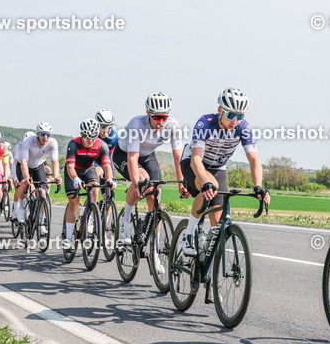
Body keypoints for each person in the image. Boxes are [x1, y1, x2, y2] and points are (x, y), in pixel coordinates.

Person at [181, 88, 270, 256]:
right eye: (230, 115)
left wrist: (258, 186)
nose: (235, 121)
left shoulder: (243, 127)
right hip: (193, 162)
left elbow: (254, 159)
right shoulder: (205, 123)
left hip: (218, 167)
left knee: (216, 224)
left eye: (240, 116)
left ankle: (208, 262)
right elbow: (196, 160)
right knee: (210, 187)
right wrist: (205, 182)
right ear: (220, 110)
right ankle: (188, 235)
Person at [112, 92, 189, 245]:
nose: (160, 121)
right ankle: (125, 220)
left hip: (148, 156)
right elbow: (132, 158)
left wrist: (182, 182)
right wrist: (135, 185)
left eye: (164, 117)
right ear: (148, 113)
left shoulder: (173, 126)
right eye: (156, 117)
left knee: (156, 194)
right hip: (125, 154)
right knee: (141, 179)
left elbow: (178, 157)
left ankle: (154, 248)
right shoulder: (137, 124)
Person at [63, 119, 114, 252]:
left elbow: (107, 166)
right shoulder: (74, 144)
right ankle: (68, 238)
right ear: (81, 134)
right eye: (87, 138)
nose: (90, 141)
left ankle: (89, 215)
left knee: (95, 189)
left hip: (88, 169)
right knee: (74, 201)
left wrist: (109, 180)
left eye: (93, 138)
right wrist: (75, 179)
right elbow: (70, 166)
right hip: (73, 170)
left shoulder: (101, 145)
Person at [13, 124, 62, 232]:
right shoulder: (29, 141)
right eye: (43, 134)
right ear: (37, 134)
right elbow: (24, 162)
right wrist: (26, 177)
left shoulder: (52, 143)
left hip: (38, 167)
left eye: (48, 135)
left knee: (43, 193)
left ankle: (41, 224)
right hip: (23, 165)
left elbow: (54, 161)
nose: (45, 137)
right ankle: (21, 207)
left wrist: (57, 175)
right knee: (25, 184)